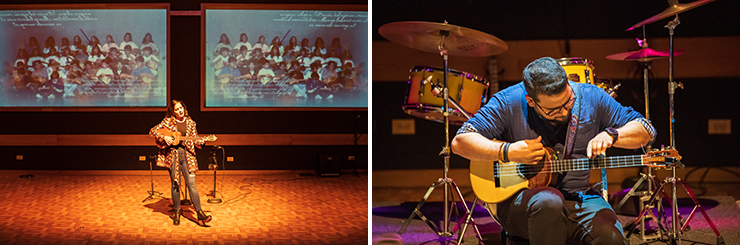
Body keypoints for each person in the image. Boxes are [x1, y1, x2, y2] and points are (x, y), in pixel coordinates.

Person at [450, 57, 656, 245]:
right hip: (523, 203)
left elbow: (646, 129)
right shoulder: (509, 101)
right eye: (554, 110)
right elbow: (460, 142)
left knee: (610, 237)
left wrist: (612, 134)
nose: (565, 111)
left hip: (579, 198)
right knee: (548, 202)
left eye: (568, 102)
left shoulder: (591, 97)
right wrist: (507, 151)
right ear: (531, 101)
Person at [149, 100, 217, 226]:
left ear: (184, 108)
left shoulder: (191, 123)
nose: (180, 111)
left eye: (181, 108)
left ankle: (200, 212)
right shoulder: (168, 121)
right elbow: (152, 131)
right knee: (176, 184)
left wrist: (203, 140)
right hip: (173, 155)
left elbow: (195, 140)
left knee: (192, 185)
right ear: (173, 112)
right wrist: (165, 137)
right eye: (177, 109)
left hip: (187, 155)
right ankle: (177, 211)